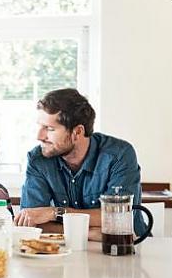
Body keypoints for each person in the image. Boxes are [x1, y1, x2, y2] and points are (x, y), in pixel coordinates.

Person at [15, 88, 146, 240]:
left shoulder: (118, 155)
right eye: (40, 126)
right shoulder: (38, 159)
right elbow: (32, 222)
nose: (39, 136)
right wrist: (89, 233)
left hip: (125, 249)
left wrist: (53, 213)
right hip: (65, 251)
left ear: (77, 132)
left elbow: (119, 218)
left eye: (49, 129)